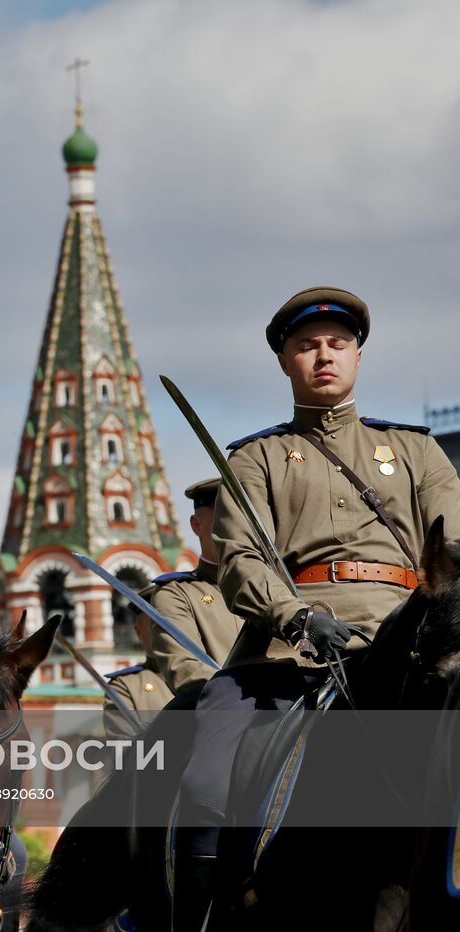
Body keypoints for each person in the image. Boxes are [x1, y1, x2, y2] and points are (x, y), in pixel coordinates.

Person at [173, 287, 460, 930]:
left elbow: (457, 549)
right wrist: (295, 615)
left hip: (406, 641)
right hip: (287, 654)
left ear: (357, 356)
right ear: (285, 362)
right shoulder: (257, 457)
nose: (324, 356)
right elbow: (241, 559)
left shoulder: (417, 452)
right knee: (205, 781)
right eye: (307, 346)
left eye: (337, 344)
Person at [145, 479, 246, 697]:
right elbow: (185, 669)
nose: (236, 529)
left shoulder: (281, 585)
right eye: (224, 518)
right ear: (197, 525)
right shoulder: (177, 594)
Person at [103, 605, 170, 741]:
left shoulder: (211, 674)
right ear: (138, 632)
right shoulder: (125, 686)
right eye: (155, 625)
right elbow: (126, 750)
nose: (164, 632)